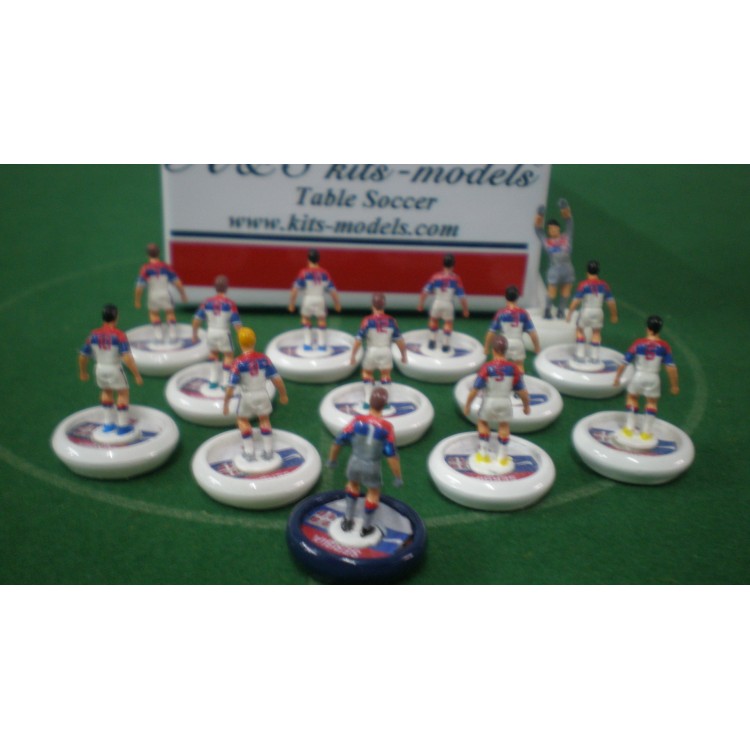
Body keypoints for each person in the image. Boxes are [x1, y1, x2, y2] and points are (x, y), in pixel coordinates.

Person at [327, 386, 403, 537]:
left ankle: (348, 520)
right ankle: (366, 527)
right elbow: (391, 455)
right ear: (385, 405)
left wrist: (332, 459)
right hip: (372, 466)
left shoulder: (357, 421)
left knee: (352, 486)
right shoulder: (387, 427)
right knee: (373, 493)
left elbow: (338, 441)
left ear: (369, 402)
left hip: (354, 462)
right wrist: (397, 476)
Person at [223, 327, 288, 461]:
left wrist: (226, 403)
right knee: (264, 419)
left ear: (240, 342)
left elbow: (230, 387)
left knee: (242, 420)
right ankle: (268, 451)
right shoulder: (264, 359)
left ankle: (249, 451)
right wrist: (283, 394)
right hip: (262, 394)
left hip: (247, 396)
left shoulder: (238, 362)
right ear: (254, 341)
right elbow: (277, 379)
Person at [464, 335, 530, 466]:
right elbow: (522, 391)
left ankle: (483, 453)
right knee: (504, 425)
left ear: (493, 350)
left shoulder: (487, 368)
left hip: (489, 401)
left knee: (483, 422)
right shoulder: (513, 368)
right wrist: (526, 405)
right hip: (505, 402)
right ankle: (502, 456)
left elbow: (475, 389)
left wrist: (468, 405)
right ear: (506, 350)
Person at [79, 304, 143, 436]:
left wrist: (83, 372)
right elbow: (126, 357)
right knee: (123, 393)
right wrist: (136, 374)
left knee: (106, 391)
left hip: (99, 368)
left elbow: (83, 355)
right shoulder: (119, 335)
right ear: (116, 317)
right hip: (114, 368)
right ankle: (123, 425)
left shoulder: (93, 335)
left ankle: (108, 424)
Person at [613, 315, 679, 440]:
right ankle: (646, 432)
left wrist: (617, 377)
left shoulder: (638, 343)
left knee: (632, 398)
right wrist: (674, 385)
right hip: (654, 378)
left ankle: (629, 428)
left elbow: (625, 362)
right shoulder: (664, 346)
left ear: (648, 328)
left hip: (638, 376)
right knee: (652, 402)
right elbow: (671, 367)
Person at [350, 293, 408, 407]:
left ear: (372, 305)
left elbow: (358, 340)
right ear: (384, 305)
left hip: (371, 352)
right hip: (386, 352)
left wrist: (353, 355)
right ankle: (385, 402)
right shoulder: (392, 321)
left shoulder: (367, 321)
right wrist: (403, 355)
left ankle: (367, 400)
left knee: (367, 373)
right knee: (386, 374)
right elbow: (399, 341)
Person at [192, 275, 242, 388]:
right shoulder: (230, 304)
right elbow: (236, 323)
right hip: (223, 332)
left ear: (215, 287)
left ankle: (213, 379)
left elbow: (196, 319)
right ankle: (225, 381)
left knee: (213, 353)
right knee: (228, 355)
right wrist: (242, 338)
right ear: (227, 287)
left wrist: (194, 334)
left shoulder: (207, 302)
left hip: (210, 332)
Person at [288, 249, 342, 351]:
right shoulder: (325, 273)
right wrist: (337, 304)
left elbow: (295, 290)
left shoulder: (304, 273)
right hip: (320, 299)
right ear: (318, 259)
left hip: (308, 299)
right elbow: (333, 291)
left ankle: (307, 343)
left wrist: (292, 304)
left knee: (305, 318)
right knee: (321, 319)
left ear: (308, 259)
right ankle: (322, 345)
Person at [566, 260, 619, 363]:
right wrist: (614, 315)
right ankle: (594, 356)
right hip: (598, 311)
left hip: (586, 311)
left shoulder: (583, 285)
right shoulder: (604, 285)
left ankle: (580, 354)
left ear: (587, 271)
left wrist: (569, 313)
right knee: (596, 332)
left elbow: (576, 301)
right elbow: (611, 302)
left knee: (580, 330)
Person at [134, 243, 188, 341]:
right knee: (170, 312)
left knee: (154, 314)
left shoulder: (145, 269)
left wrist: (137, 300)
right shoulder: (166, 267)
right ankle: (172, 332)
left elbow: (139, 286)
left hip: (153, 296)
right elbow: (177, 282)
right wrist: (182, 294)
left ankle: (158, 333)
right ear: (159, 253)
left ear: (148, 255)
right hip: (165, 294)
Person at [416, 253, 469, 351]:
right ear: (453, 265)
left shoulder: (435, 277)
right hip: (448, 304)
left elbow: (425, 292)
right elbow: (462, 297)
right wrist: (465, 309)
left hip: (437, 303)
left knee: (433, 320)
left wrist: (420, 304)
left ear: (443, 264)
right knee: (448, 323)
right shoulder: (456, 279)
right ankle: (445, 344)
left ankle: (432, 341)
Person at [534, 199, 575, 319]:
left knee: (566, 291)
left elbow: (569, 221)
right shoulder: (546, 241)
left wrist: (564, 208)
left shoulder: (566, 237)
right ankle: (547, 310)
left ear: (558, 228)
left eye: (554, 228)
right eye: (550, 229)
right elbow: (537, 229)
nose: (552, 230)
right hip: (554, 269)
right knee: (552, 291)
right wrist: (540, 215)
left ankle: (561, 310)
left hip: (567, 268)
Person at [484, 285, 540, 371]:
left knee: (500, 366)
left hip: (503, 344)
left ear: (505, 297)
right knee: (519, 366)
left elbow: (491, 332)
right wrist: (537, 347)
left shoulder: (501, 313)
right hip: (518, 343)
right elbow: (532, 333)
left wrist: (486, 347)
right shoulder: (523, 313)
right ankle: (520, 378)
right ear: (517, 297)